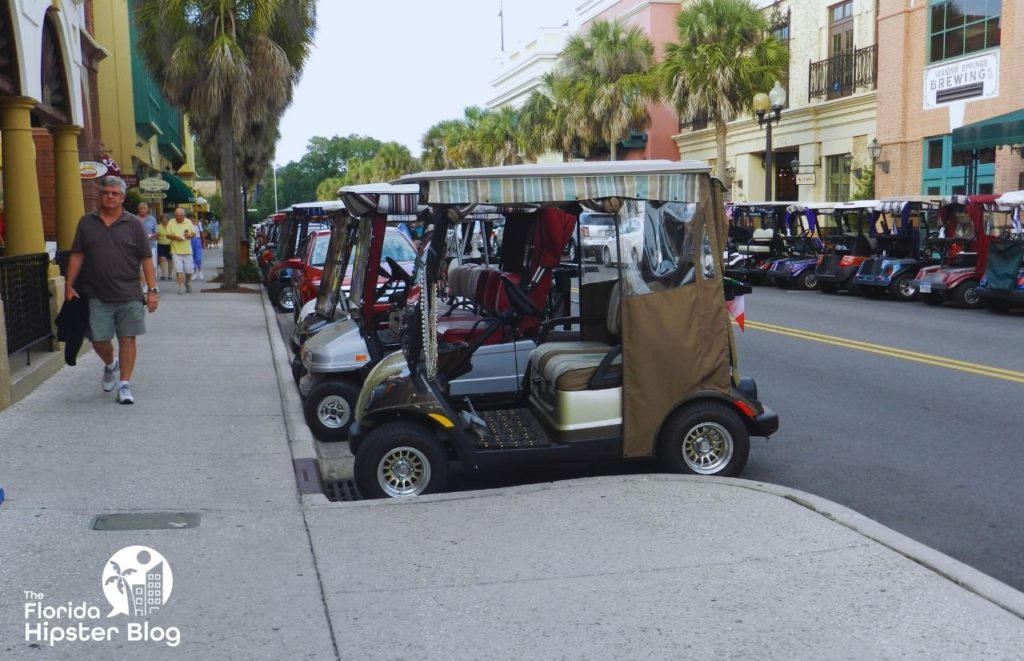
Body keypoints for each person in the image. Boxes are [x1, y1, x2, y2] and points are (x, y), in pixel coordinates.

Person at [64, 176, 159, 405]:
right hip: (96, 293)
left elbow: (146, 258)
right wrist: (68, 284)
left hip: (129, 293)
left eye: (114, 193)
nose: (109, 196)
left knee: (127, 339)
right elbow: (78, 254)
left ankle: (124, 385)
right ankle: (110, 364)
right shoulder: (86, 222)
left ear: (122, 198)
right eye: (105, 192)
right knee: (98, 340)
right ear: (100, 196)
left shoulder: (134, 224)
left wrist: (152, 290)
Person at [166, 207, 197, 293]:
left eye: (179, 215)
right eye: (176, 215)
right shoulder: (171, 222)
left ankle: (187, 283)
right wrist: (176, 237)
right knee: (179, 270)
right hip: (176, 250)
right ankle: (181, 287)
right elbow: (167, 235)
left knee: (189, 270)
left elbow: (193, 233)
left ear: (183, 215)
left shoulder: (188, 222)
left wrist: (189, 236)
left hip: (187, 250)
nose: (178, 217)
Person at [137, 202, 158, 289]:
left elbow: (157, 232)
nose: (142, 210)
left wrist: (152, 236)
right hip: (138, 246)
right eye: (140, 209)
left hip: (150, 245)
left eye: (144, 208)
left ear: (147, 209)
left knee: (152, 266)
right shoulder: (134, 219)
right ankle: (145, 285)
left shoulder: (152, 219)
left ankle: (153, 285)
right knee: (141, 267)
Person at [156, 214, 173, 280]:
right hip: (161, 244)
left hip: (170, 244)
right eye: (163, 219)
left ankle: (170, 274)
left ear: (168, 220)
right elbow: (156, 236)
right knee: (162, 259)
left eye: (165, 219)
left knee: (170, 260)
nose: (164, 220)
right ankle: (163, 274)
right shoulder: (158, 226)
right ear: (161, 220)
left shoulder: (171, 226)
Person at [191, 215, 205, 280]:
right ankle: (194, 272)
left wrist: (203, 242)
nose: (191, 220)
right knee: (192, 258)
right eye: (190, 218)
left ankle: (200, 271)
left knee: (198, 258)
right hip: (190, 241)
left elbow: (202, 233)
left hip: (197, 240)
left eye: (192, 218)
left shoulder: (198, 224)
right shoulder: (187, 225)